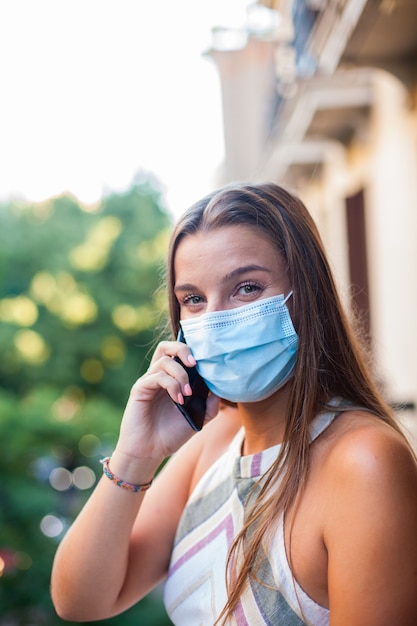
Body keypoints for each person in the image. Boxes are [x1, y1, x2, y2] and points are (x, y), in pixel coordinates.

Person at [51, 183, 417, 625]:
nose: (217, 319)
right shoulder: (215, 442)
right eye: (193, 299)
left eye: (246, 287)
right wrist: (136, 455)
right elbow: (80, 601)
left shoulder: (363, 462)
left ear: (306, 293)